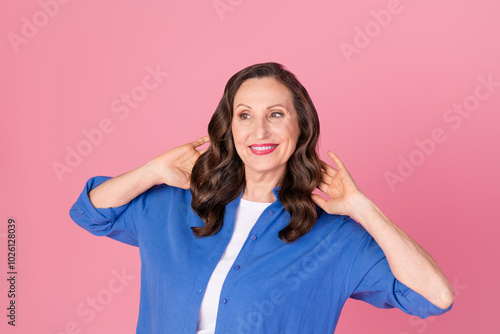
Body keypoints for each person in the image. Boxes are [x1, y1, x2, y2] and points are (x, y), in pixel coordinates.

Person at [69, 62, 454, 334]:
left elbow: (434, 297)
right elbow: (90, 212)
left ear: (300, 125)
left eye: (275, 114)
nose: (260, 131)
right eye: (245, 115)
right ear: (230, 126)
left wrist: (362, 209)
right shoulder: (173, 203)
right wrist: (152, 170)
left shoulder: (335, 236)